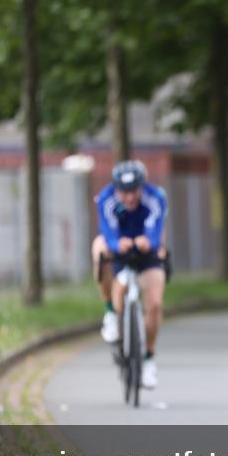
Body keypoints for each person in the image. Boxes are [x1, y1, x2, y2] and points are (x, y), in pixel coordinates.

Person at [92, 160, 169, 389]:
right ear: (116, 190)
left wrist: (150, 241)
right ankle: (110, 314)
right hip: (120, 249)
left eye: (134, 191)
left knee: (154, 304)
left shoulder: (155, 197)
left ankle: (148, 359)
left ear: (142, 186)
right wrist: (117, 244)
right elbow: (107, 230)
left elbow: (156, 228)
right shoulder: (106, 199)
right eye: (124, 193)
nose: (130, 198)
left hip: (146, 252)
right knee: (99, 249)